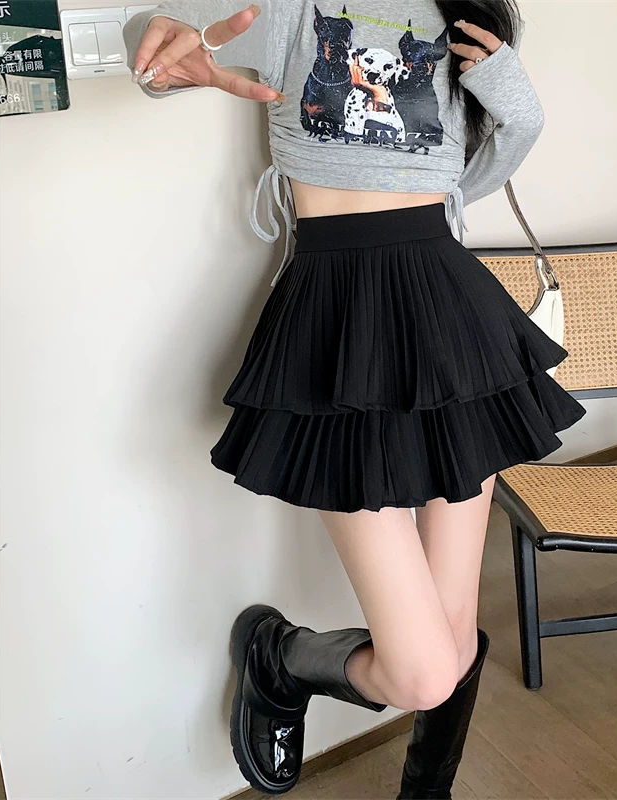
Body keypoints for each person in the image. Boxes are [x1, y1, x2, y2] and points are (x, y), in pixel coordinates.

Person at [123, 1, 587, 796]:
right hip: (339, 320)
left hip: (451, 314)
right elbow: (162, 38)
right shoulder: (297, 9)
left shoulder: (456, 13)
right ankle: (280, 656)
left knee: (452, 643)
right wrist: (157, 54)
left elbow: (463, 178)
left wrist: (513, 95)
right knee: (424, 672)